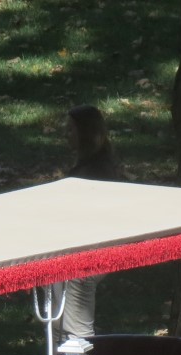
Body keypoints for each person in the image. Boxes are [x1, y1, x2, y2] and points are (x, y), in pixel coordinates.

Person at [58, 105, 125, 342]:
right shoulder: (91, 165)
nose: (67, 134)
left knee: (77, 288)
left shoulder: (95, 171)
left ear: (85, 133)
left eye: (71, 129)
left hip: (94, 251)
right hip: (78, 247)